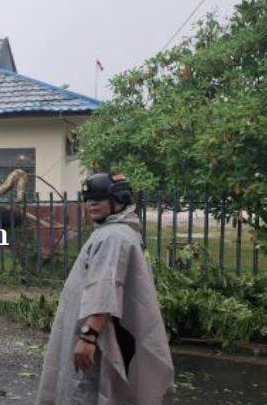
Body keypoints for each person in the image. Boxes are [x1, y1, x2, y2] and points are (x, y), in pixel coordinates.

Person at [37, 173, 174, 405]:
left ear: (119, 200)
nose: (92, 203)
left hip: (100, 335)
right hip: (108, 331)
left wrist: (88, 337)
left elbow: (105, 287)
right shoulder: (119, 232)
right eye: (88, 198)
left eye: (99, 198)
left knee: (88, 392)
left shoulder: (112, 236)